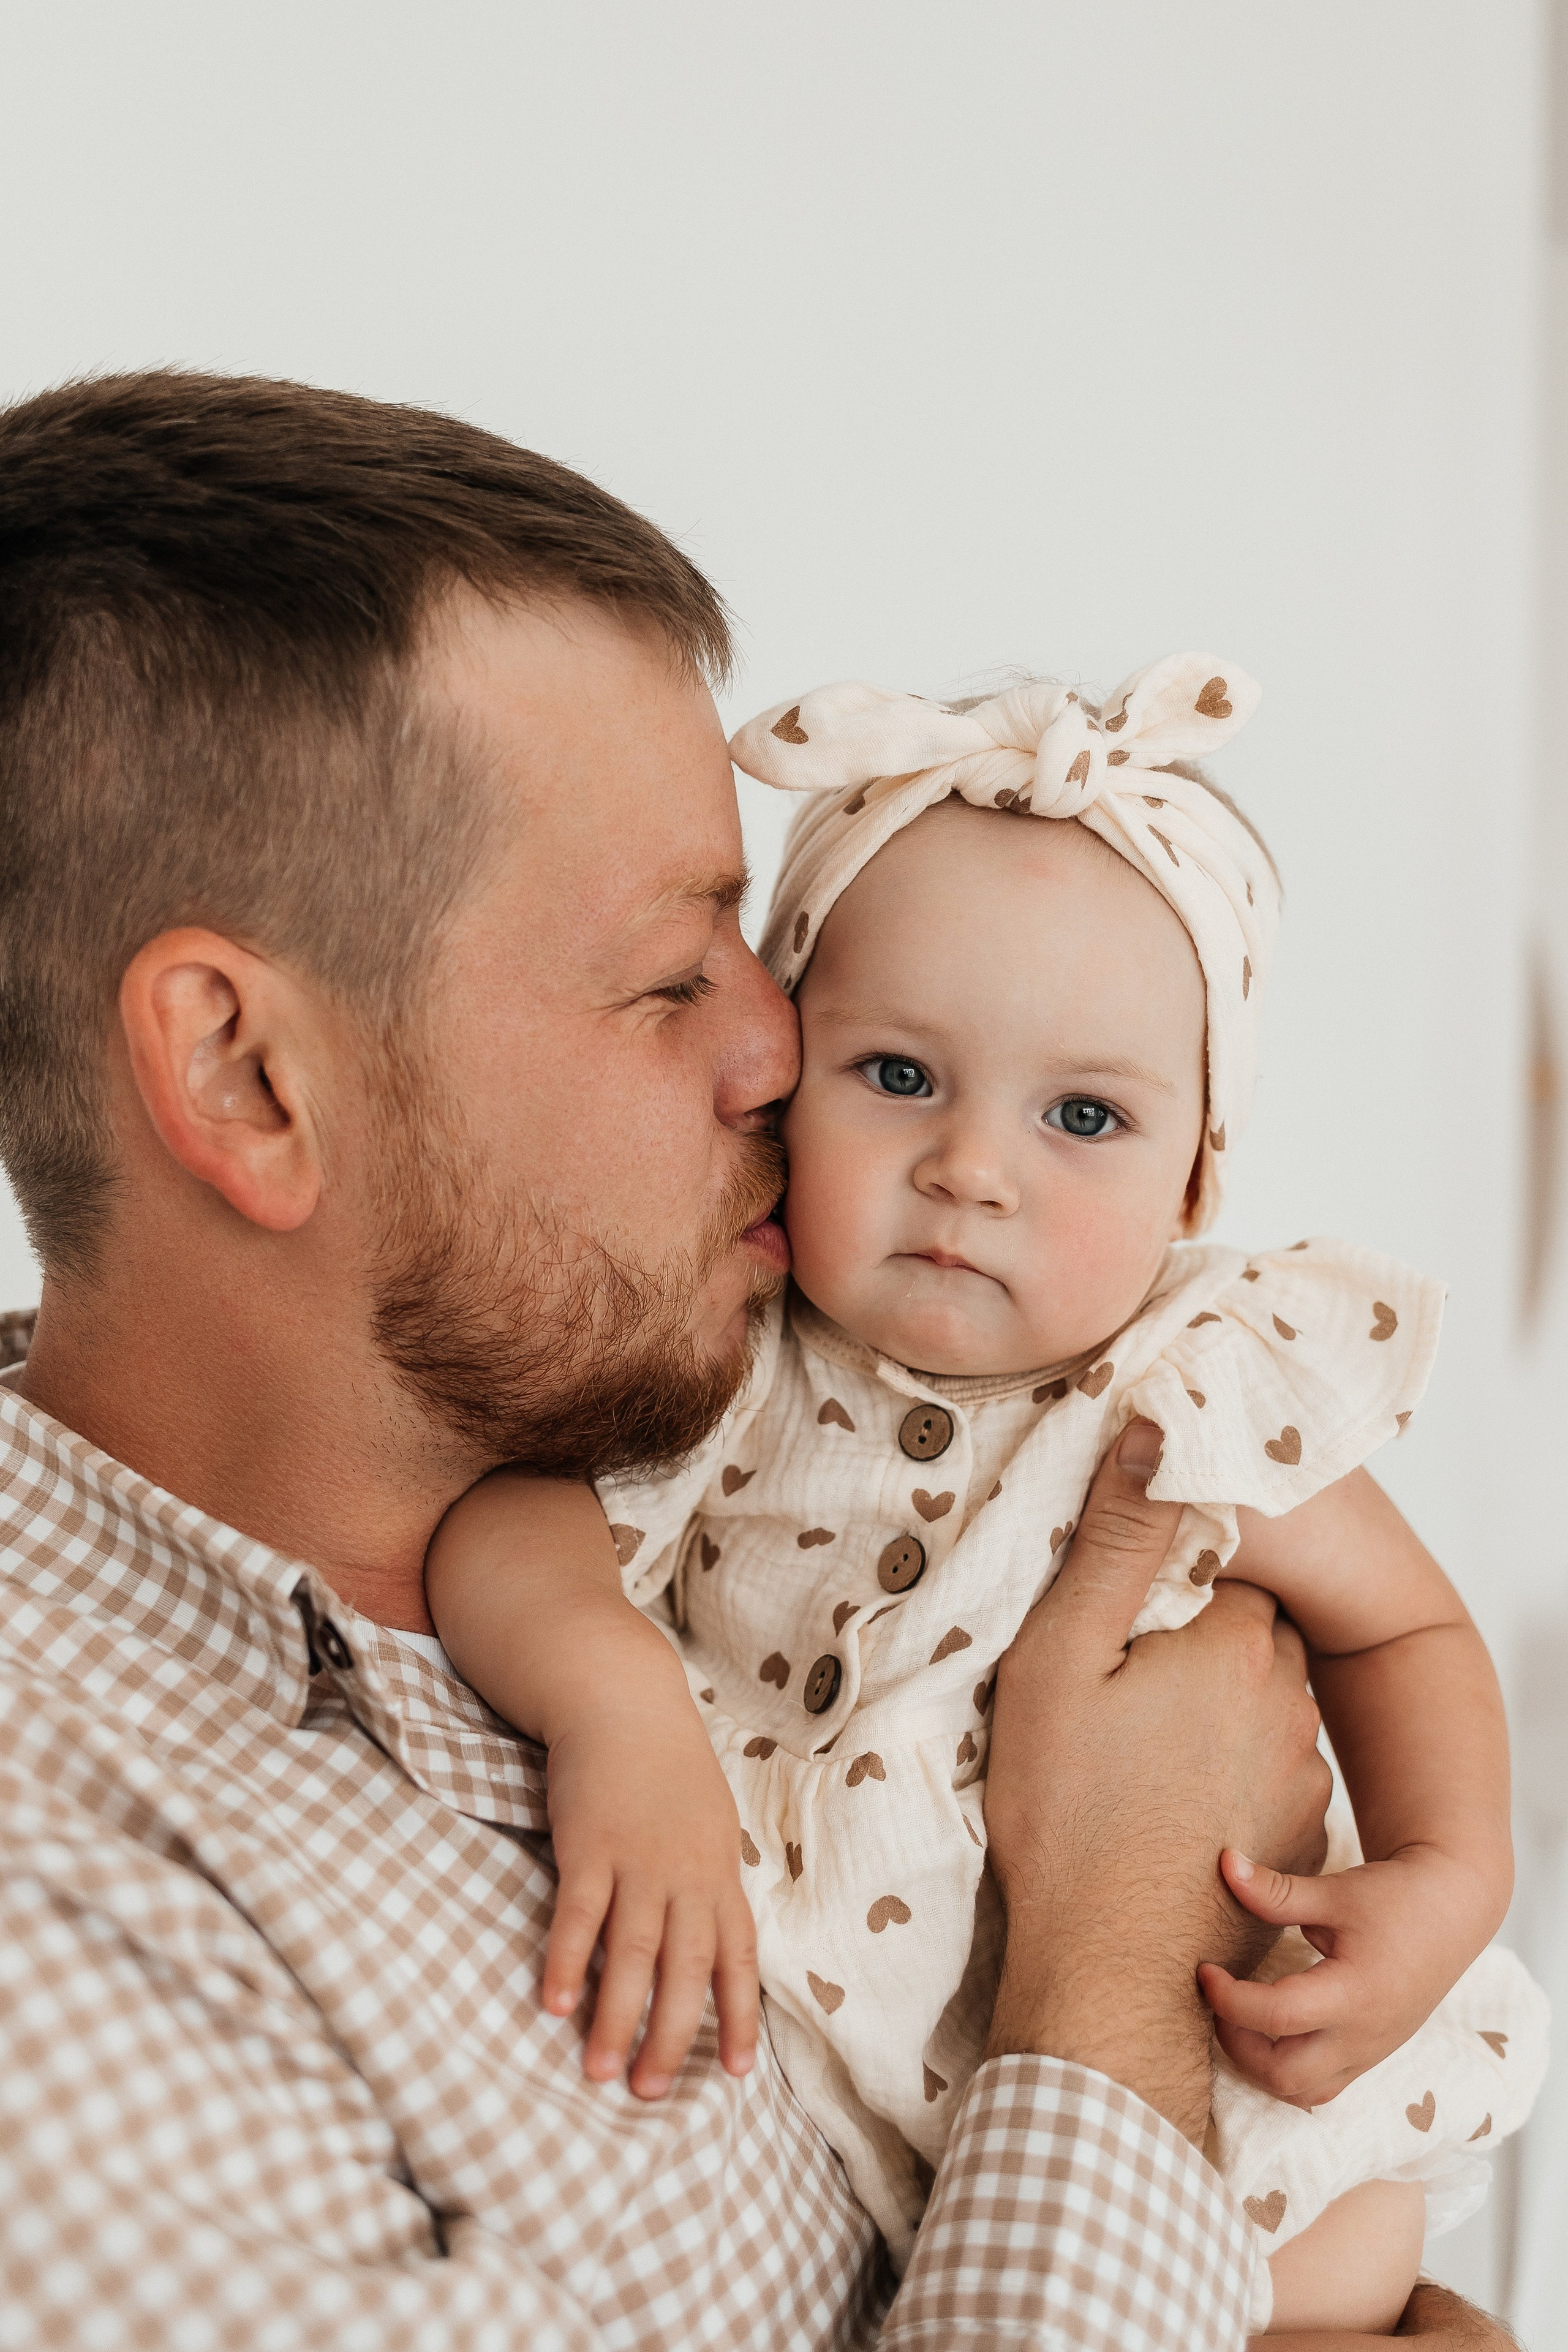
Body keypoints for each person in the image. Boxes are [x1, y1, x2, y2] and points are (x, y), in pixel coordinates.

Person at [0, 371, 1514, 2351]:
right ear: (248, 1077)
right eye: (672, 972)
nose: (780, 1054)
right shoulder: (68, 1924)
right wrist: (1120, 1958)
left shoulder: (580, 1485)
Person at [421, 658, 1547, 2334]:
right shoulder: (725, 1345)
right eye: (897, 1076)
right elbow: (506, 1524)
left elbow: (1405, 1628)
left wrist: (1450, 1875)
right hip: (837, 2074)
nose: (974, 1169)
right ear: (785, 1077)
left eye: (1082, 1115)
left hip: (1212, 2061)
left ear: (1194, 1178)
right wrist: (611, 1703)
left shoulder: (1195, 1392)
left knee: (1346, 2271)